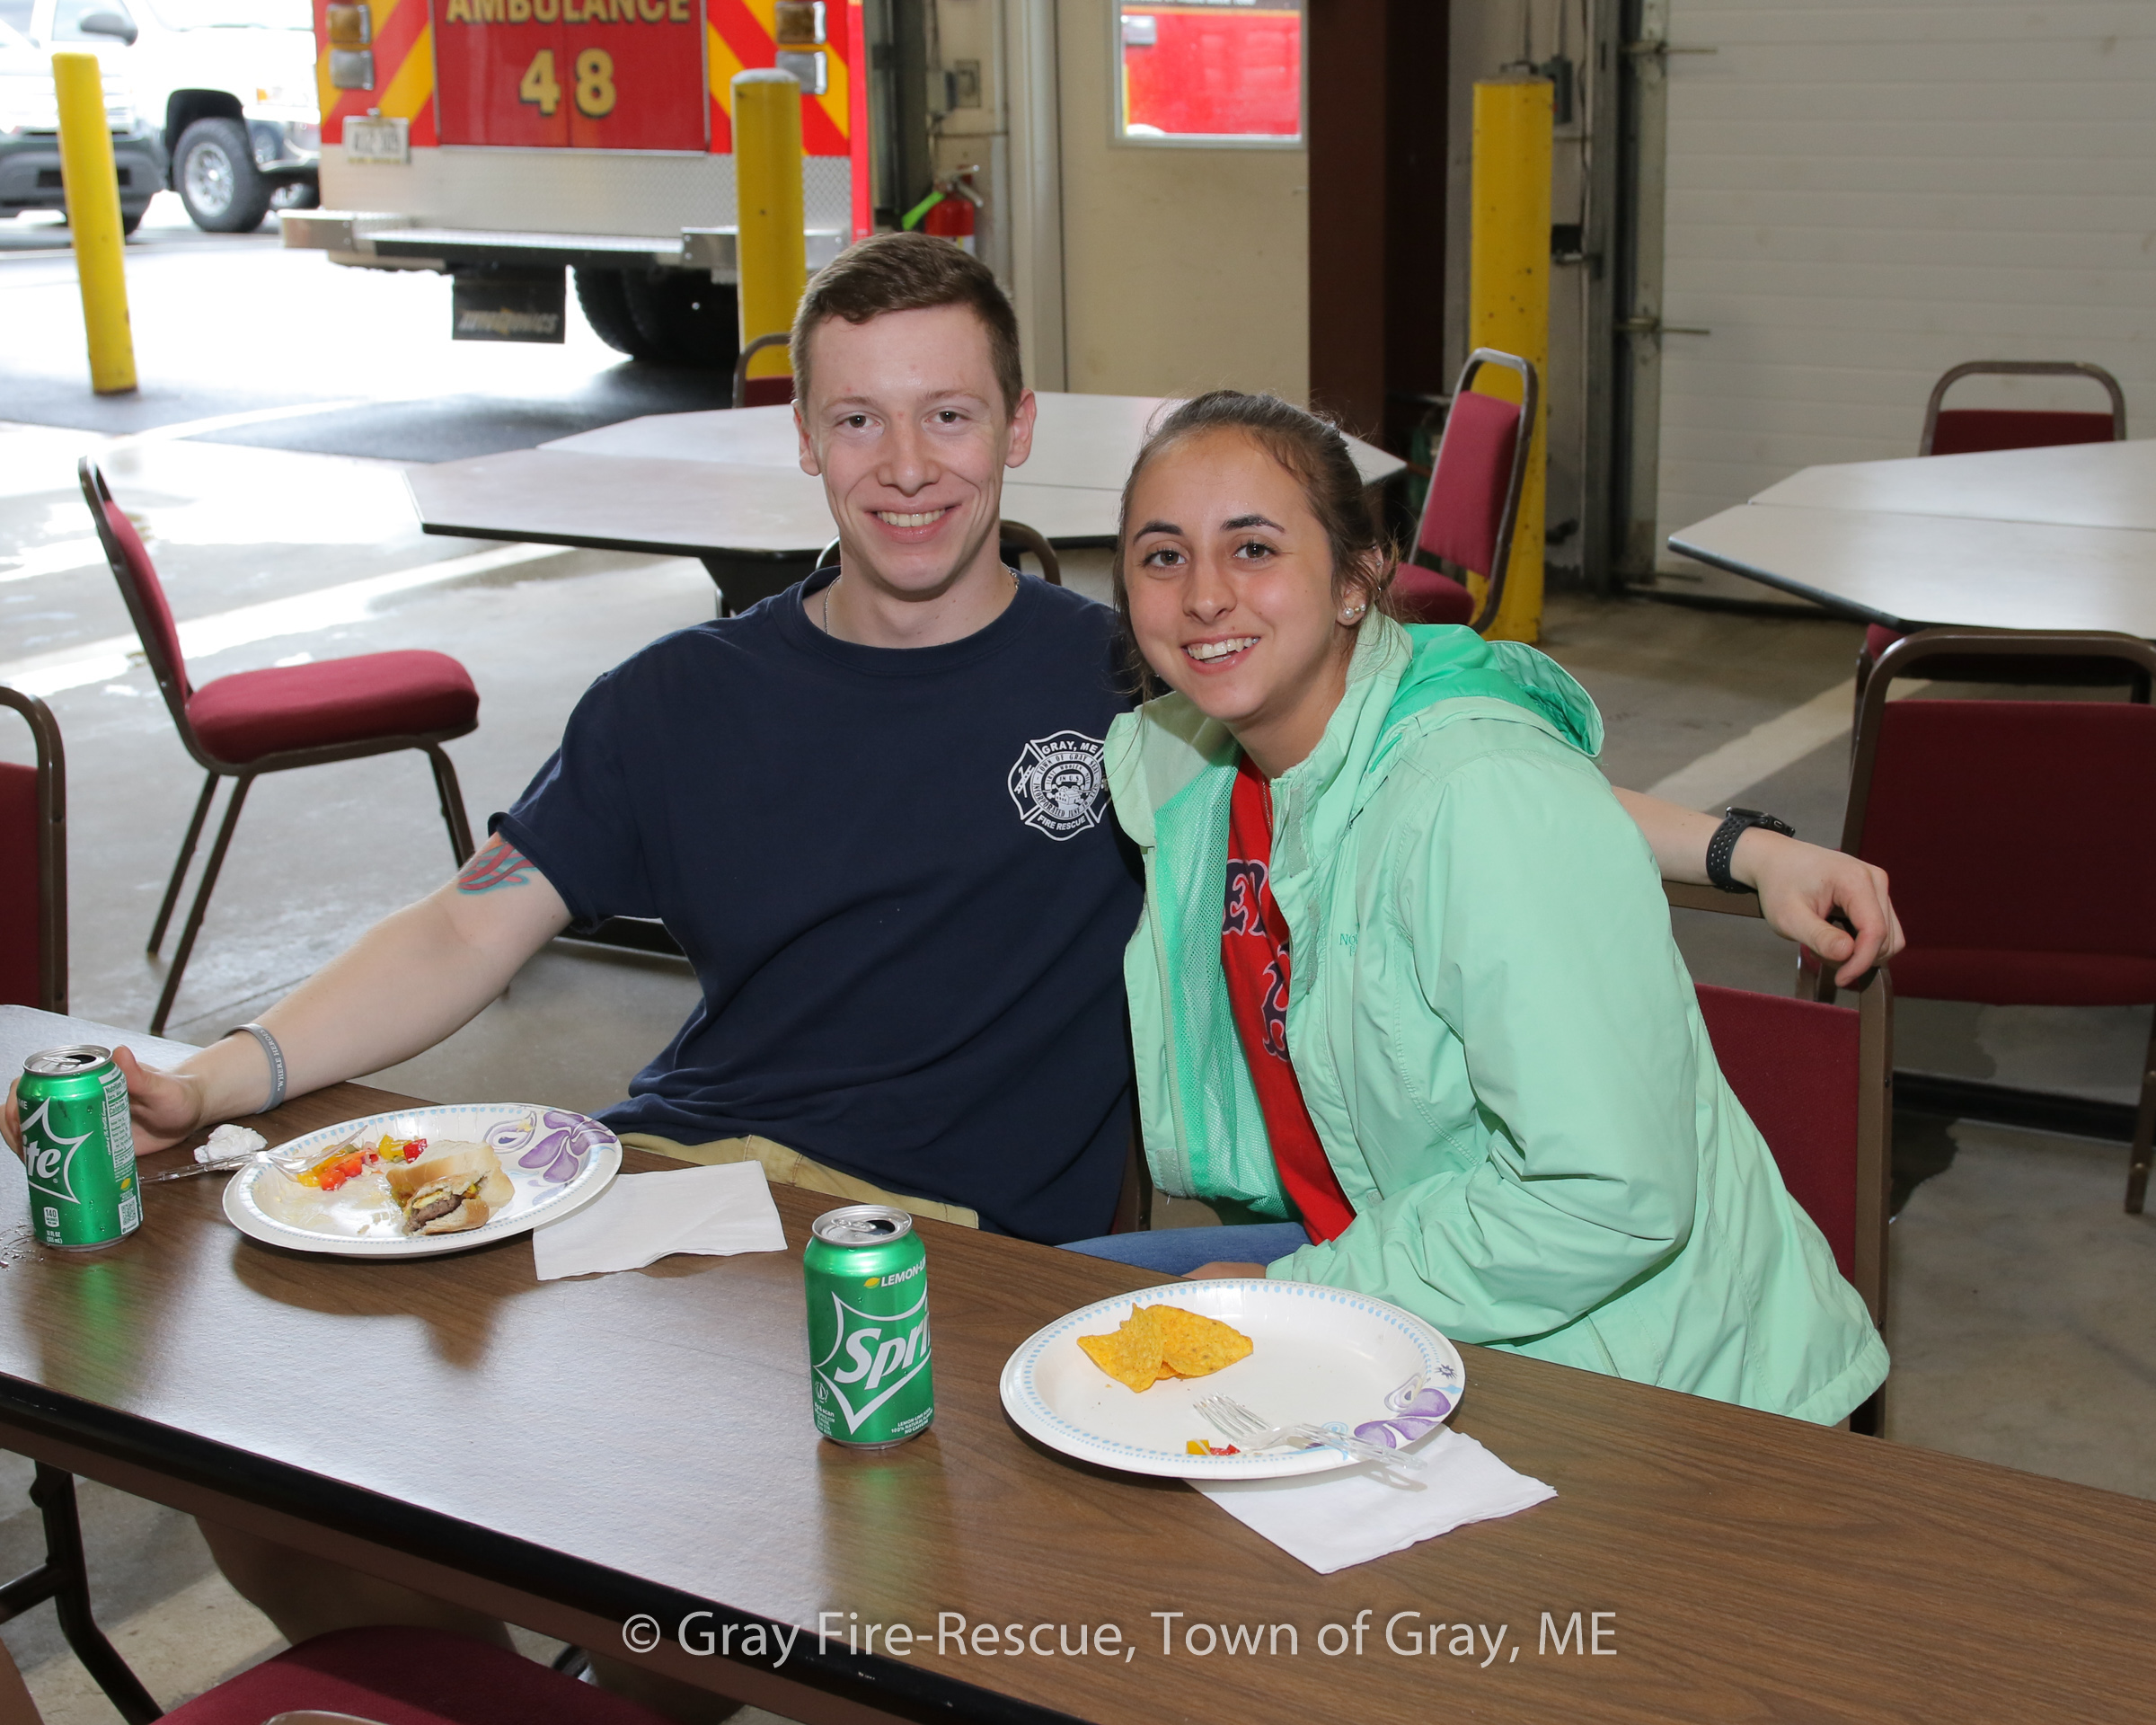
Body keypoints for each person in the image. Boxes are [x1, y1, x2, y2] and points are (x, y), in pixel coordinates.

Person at [1063, 390, 1891, 1425]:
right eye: (1163, 556)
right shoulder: (1209, 771)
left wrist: (1292, 1294)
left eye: (1255, 548)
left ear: (1358, 578)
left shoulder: (1484, 795)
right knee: (1035, 1318)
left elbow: (1607, 1196)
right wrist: (1738, 849)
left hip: (1644, 1374)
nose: (1203, 596)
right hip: (1406, 1262)